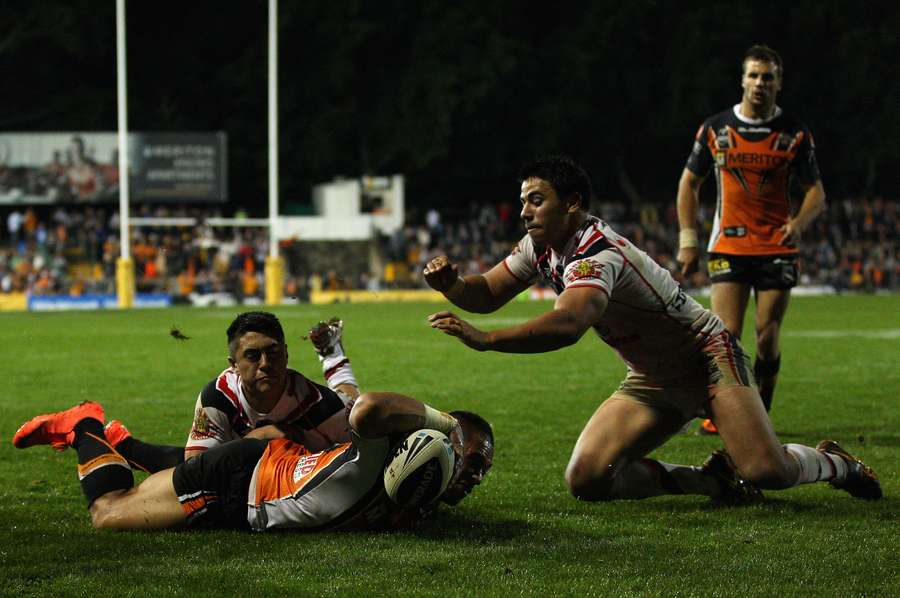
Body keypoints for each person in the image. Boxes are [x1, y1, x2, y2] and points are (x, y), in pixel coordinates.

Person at [424, 155, 879, 505]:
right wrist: (453, 286)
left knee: (767, 472)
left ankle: (835, 463)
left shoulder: (596, 253)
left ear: (572, 204)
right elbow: (486, 293)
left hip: (706, 355)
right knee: (587, 480)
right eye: (523, 201)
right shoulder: (540, 247)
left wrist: (485, 341)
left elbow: (567, 324)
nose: (524, 211)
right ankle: (709, 480)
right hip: (652, 375)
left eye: (536, 200)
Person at [12, 393, 493, 532]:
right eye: (469, 457)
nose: (473, 475)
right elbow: (368, 407)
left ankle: (119, 439)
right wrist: (445, 421)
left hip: (270, 465)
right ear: (441, 443)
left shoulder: (417, 487)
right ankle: (84, 426)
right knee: (111, 513)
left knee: (155, 481)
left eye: (481, 469)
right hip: (244, 483)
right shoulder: (393, 455)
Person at [675, 45, 826, 434]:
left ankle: (761, 407)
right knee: (726, 333)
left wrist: (799, 222)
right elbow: (689, 183)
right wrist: (688, 238)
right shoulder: (716, 129)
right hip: (728, 244)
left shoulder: (794, 133)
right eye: (754, 75)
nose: (760, 83)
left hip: (777, 246)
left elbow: (816, 192)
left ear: (779, 83)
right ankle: (723, 411)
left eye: (768, 76)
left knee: (767, 334)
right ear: (742, 80)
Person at [85, 312, 361, 473]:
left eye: (273, 353)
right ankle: (124, 446)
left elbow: (359, 461)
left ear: (286, 355)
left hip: (332, 421)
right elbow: (194, 471)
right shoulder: (218, 398)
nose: (265, 363)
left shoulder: (321, 406)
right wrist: (259, 440)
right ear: (234, 366)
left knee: (351, 401)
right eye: (252, 356)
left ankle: (331, 352)